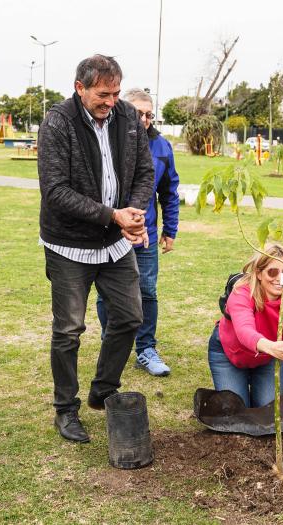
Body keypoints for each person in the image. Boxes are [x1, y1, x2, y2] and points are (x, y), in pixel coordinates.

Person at [38, 55, 155, 444]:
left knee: (129, 316)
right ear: (79, 88)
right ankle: (65, 410)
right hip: (69, 245)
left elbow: (144, 172)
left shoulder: (127, 118)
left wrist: (134, 212)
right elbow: (55, 192)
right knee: (69, 330)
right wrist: (112, 215)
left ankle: (103, 389)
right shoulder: (58, 122)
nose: (111, 101)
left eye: (116, 93)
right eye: (103, 94)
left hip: (116, 243)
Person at [96, 88, 180, 377]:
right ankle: (111, 345)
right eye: (137, 113)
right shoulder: (105, 141)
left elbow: (169, 192)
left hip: (145, 235)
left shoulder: (162, 147)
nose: (143, 119)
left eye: (148, 114)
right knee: (108, 292)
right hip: (110, 233)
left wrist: (170, 230)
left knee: (147, 291)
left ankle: (145, 349)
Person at [208, 243, 283, 415]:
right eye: (273, 272)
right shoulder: (241, 292)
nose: (280, 278)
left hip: (269, 358)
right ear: (259, 273)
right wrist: (272, 347)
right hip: (230, 355)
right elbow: (245, 331)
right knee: (235, 412)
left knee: (268, 413)